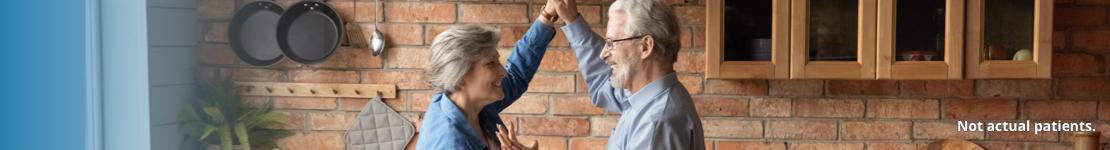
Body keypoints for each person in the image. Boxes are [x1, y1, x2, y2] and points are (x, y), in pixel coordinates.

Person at [550, 0, 705, 149]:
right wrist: (572, 20)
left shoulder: (655, 125)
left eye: (611, 43)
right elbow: (603, 82)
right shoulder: (646, 97)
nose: (603, 54)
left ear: (645, 47)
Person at [413, 1, 562, 150]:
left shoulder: (467, 102)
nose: (503, 72)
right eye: (490, 63)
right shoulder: (450, 144)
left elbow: (516, 73)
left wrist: (547, 15)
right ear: (459, 76)